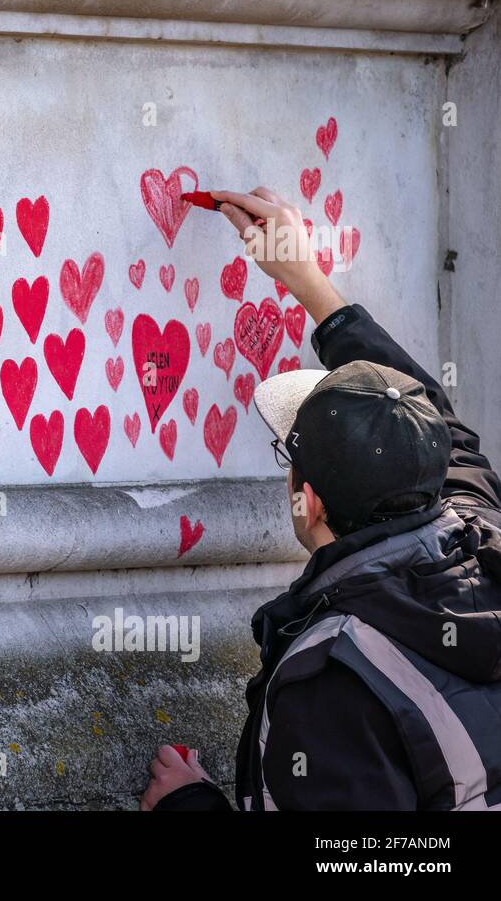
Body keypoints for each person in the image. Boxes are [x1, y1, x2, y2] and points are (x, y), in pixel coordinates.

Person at [139, 186, 501, 811]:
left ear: (306, 499)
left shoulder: (335, 682)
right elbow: (446, 431)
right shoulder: (482, 532)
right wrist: (308, 280)